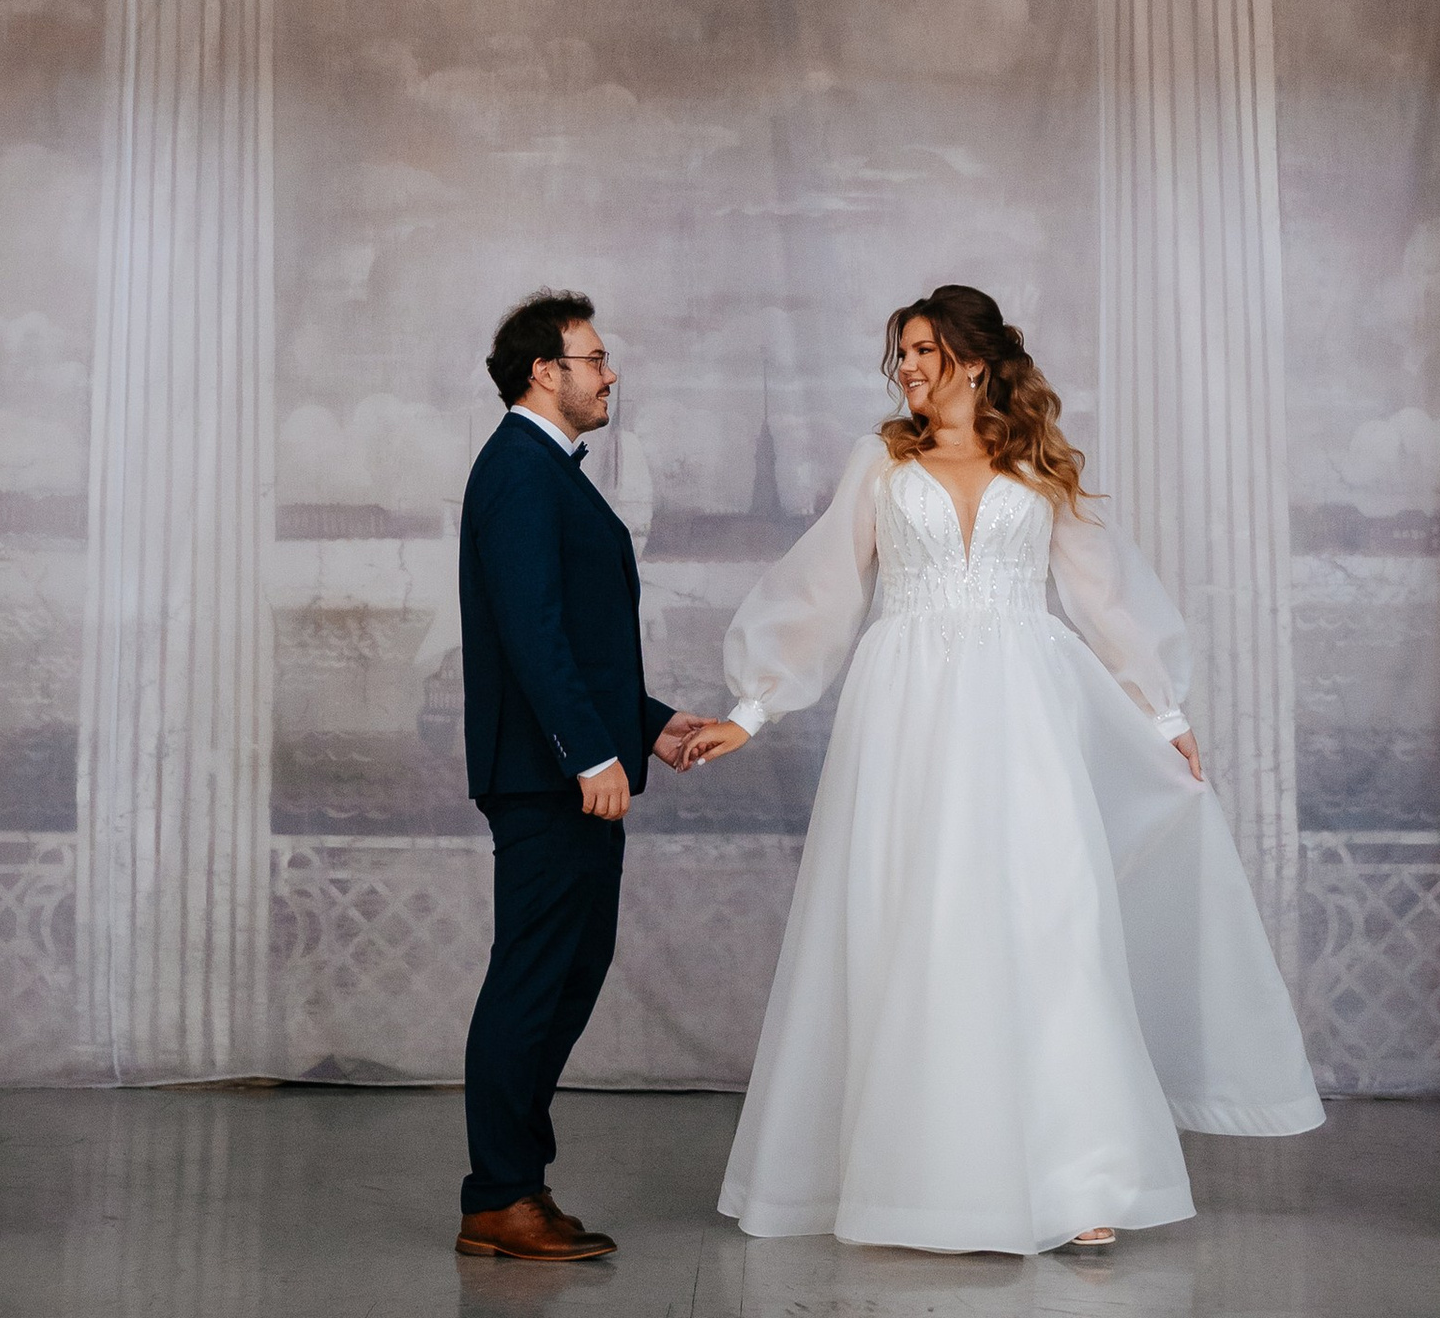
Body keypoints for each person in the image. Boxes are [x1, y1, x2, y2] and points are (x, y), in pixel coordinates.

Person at [681, 283, 1322, 1257]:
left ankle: (1079, 1177)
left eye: (925, 349)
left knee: (1053, 925)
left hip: (1024, 711)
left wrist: (1165, 713)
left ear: (974, 360)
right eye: (899, 351)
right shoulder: (880, 463)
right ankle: (916, 1179)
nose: (906, 366)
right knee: (917, 928)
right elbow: (819, 590)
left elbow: (1105, 596)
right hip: (904, 718)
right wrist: (753, 706)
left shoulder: (1035, 464)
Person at [455, 290, 734, 1263]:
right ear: (546, 370)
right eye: (595, 357)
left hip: (566, 766)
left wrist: (648, 727)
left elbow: (569, 637)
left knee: (564, 976)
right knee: (533, 982)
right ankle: (497, 1194)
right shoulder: (522, 473)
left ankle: (515, 1188)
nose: (610, 373)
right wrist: (588, 752)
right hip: (548, 775)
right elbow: (532, 633)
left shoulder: (540, 472)